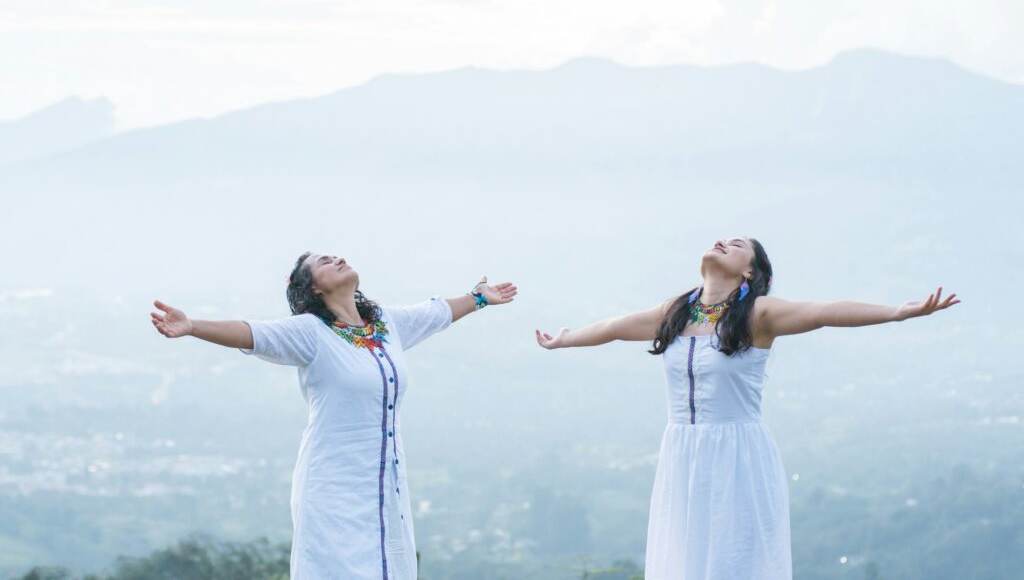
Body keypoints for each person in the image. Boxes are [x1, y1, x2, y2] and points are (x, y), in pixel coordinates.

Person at [535, 237, 958, 580]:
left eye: (736, 245)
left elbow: (824, 313)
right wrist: (564, 339)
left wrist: (896, 313)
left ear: (749, 271)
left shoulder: (758, 313)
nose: (721, 242)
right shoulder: (677, 312)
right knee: (683, 562)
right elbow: (612, 328)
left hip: (738, 456)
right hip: (682, 455)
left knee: (735, 563)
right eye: (720, 239)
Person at [151, 252, 517, 580]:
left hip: (384, 488)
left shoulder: (385, 325)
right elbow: (252, 333)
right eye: (325, 262)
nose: (338, 258)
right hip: (332, 490)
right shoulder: (311, 332)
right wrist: (192, 326)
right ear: (312, 289)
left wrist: (480, 297)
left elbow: (435, 312)